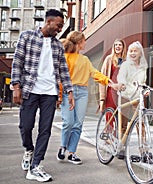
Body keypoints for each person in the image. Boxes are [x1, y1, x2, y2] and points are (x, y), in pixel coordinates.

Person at [11, 9, 75, 182]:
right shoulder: (27, 37)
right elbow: (17, 61)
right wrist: (16, 86)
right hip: (30, 90)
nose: (60, 29)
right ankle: (29, 149)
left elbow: (63, 70)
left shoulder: (58, 46)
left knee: (45, 129)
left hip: (50, 93)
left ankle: (36, 165)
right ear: (49, 22)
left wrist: (69, 91)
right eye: (59, 25)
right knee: (26, 126)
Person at [57, 31, 111, 165]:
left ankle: (72, 153)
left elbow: (95, 73)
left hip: (82, 92)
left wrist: (109, 82)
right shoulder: (65, 57)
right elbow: (60, 78)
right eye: (84, 40)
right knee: (68, 122)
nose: (85, 43)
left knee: (78, 124)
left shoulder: (85, 60)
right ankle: (63, 146)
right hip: (67, 92)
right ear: (79, 42)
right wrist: (59, 95)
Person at [112, 41, 148, 159]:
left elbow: (143, 82)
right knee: (123, 124)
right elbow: (121, 76)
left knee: (141, 124)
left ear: (140, 53)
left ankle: (144, 150)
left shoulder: (143, 66)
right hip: (126, 95)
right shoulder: (126, 65)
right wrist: (121, 83)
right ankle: (121, 147)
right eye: (130, 51)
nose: (132, 53)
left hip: (138, 96)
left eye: (135, 51)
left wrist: (145, 90)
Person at [99, 39, 127, 112]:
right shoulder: (109, 59)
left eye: (120, 45)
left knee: (121, 117)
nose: (117, 46)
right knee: (110, 115)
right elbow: (102, 76)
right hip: (111, 91)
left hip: (122, 92)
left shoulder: (125, 60)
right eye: (116, 45)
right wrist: (102, 97)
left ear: (123, 47)